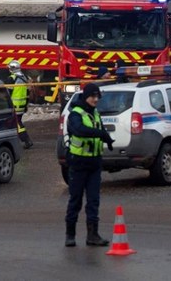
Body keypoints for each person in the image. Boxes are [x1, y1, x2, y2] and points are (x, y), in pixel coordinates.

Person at [64, 82, 113, 248]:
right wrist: (101, 134)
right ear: (86, 97)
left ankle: (93, 235)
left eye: (97, 96)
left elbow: (99, 129)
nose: (96, 99)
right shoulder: (75, 114)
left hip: (94, 163)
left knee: (93, 201)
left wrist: (107, 139)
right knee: (75, 200)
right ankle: (70, 235)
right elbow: (79, 130)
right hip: (78, 163)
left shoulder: (95, 113)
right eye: (93, 96)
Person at [7, 60, 33, 149]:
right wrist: (26, 105)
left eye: (10, 68)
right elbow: (28, 92)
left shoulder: (12, 78)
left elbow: (8, 93)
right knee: (16, 123)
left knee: (17, 124)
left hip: (14, 105)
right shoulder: (24, 77)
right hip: (22, 105)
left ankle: (26, 140)